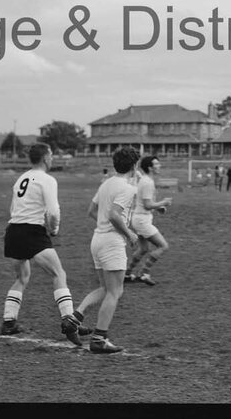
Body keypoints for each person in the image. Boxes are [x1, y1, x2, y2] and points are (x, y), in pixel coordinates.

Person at [0, 142, 87, 346]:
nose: (53, 158)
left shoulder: (21, 178)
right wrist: (54, 229)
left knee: (22, 277)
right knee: (59, 274)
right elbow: (53, 211)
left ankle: (9, 322)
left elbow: (13, 208)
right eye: (52, 155)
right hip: (32, 231)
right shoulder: (47, 179)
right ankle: (69, 321)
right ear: (46, 158)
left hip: (13, 231)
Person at [74, 147, 141, 354]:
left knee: (105, 288)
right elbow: (114, 215)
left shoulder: (107, 183)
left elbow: (91, 211)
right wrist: (128, 233)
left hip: (98, 240)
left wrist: (105, 225)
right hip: (111, 242)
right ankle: (99, 339)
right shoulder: (127, 188)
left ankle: (74, 319)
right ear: (134, 165)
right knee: (115, 291)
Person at [125, 156, 172, 286]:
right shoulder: (147, 183)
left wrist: (158, 208)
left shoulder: (146, 180)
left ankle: (127, 274)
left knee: (143, 248)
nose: (159, 165)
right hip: (142, 220)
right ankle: (144, 273)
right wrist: (163, 202)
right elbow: (147, 205)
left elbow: (145, 203)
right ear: (150, 168)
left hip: (140, 218)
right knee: (163, 246)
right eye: (156, 164)